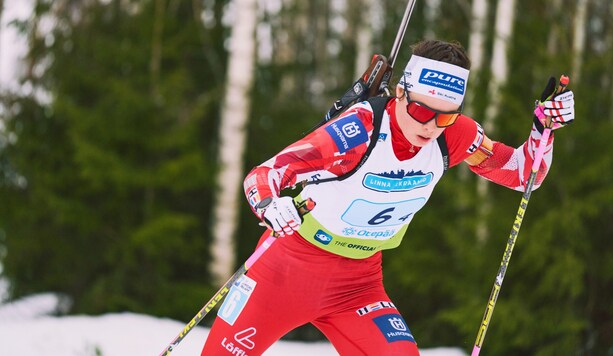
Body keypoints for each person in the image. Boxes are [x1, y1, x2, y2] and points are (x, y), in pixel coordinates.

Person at [201, 39, 575, 355]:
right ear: (400, 93)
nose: (430, 127)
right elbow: (266, 174)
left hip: (358, 286)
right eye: (420, 111)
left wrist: (544, 127)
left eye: (444, 117)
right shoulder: (356, 132)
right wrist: (270, 204)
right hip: (286, 272)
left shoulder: (455, 135)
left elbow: (524, 174)